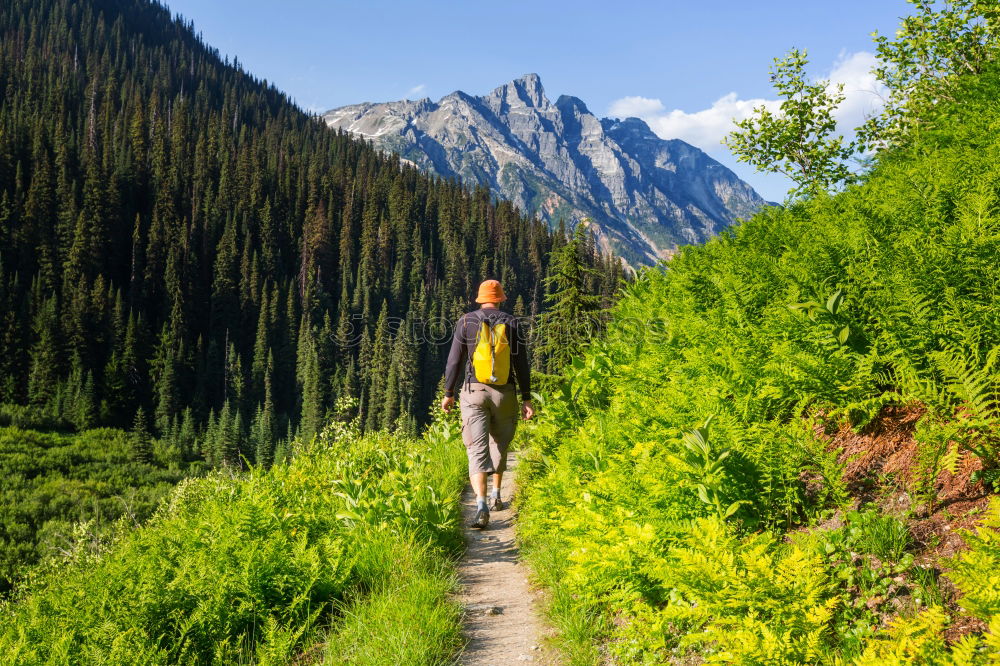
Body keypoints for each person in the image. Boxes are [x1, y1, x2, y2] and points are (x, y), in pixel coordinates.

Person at [441, 279, 534, 528]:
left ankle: (481, 505)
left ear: (480, 299)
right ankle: (496, 494)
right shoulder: (511, 322)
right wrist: (527, 397)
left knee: (476, 448)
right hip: (504, 392)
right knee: (499, 444)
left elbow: (454, 361)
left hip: (474, 391)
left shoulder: (466, 321)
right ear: (501, 298)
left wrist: (449, 393)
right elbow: (521, 364)